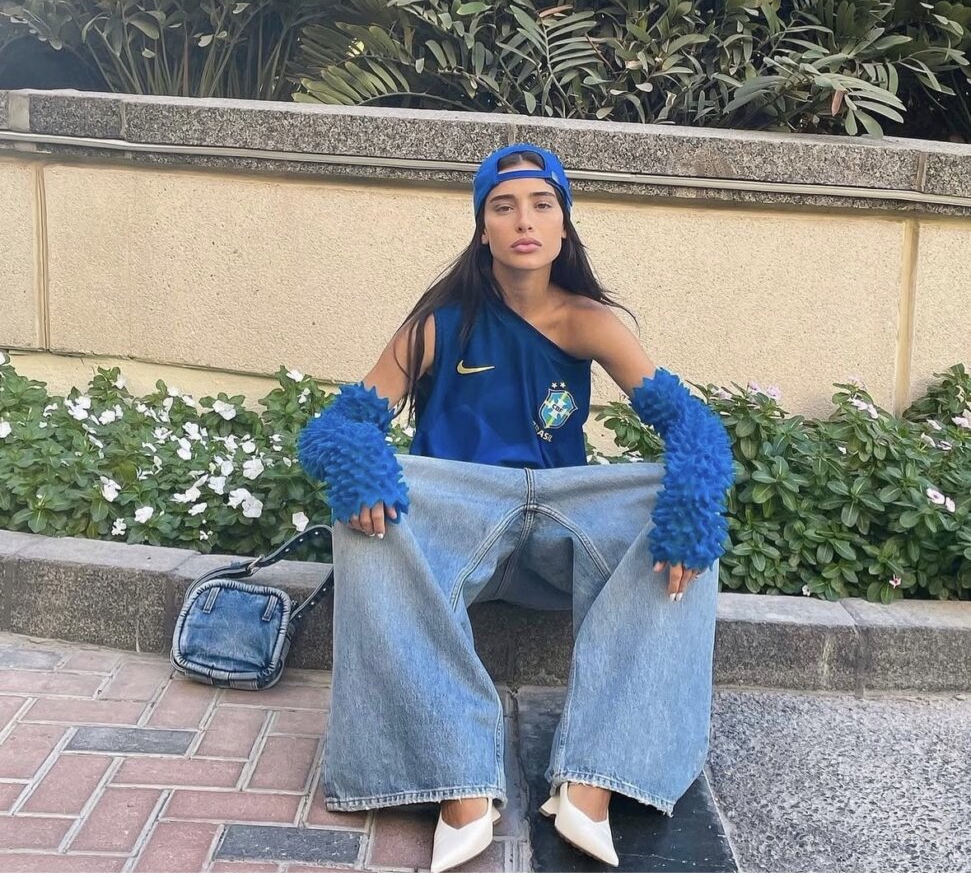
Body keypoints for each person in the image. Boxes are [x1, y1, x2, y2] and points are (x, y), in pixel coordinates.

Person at [297, 143, 735, 872]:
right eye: (503, 207)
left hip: (556, 521)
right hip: (456, 520)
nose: (523, 220)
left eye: (541, 205)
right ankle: (456, 779)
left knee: (680, 498)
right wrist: (357, 465)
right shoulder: (438, 324)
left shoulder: (592, 321)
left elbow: (690, 425)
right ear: (482, 230)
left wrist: (690, 502)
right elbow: (340, 424)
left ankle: (596, 777)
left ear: (563, 227)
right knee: (366, 508)